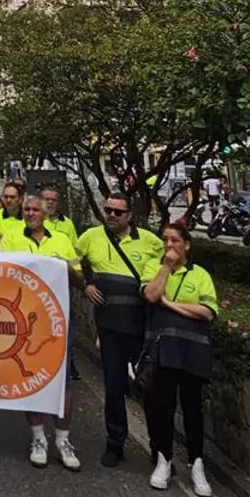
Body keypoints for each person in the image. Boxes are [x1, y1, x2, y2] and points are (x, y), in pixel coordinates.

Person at [75, 193, 162, 468]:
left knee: (148, 391)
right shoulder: (90, 237)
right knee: (113, 390)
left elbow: (169, 266)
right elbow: (71, 261)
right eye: (108, 210)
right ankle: (115, 444)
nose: (111, 215)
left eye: (117, 212)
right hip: (109, 328)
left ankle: (158, 449)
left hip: (141, 329)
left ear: (129, 215)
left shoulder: (149, 241)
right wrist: (85, 283)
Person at [1, 194, 83, 470]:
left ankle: (63, 439)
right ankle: (38, 437)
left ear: (46, 214)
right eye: (27, 209)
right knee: (32, 377)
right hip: (24, 318)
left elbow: (78, 276)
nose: (31, 213)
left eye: (36, 209)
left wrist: (65, 267)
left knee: (63, 380)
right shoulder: (11, 237)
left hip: (58, 319)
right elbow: (1, 273)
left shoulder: (61, 240)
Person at [141, 220, 217, 496]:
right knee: (163, 406)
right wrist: (165, 267)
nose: (169, 245)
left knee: (192, 408)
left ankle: (197, 464)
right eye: (165, 240)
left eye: (175, 240)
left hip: (193, 350)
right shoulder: (154, 268)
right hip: (163, 350)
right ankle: (163, 459)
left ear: (187, 244)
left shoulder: (201, 276)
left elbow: (207, 311)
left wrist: (170, 305)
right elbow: (151, 295)